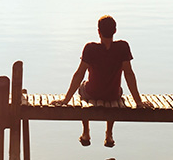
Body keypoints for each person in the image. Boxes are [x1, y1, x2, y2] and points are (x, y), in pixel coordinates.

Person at [51, 15, 151, 147]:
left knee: (82, 88)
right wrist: (138, 102)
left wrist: (65, 100)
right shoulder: (123, 47)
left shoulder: (90, 48)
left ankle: (86, 132)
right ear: (115, 31)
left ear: (98, 31)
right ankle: (109, 134)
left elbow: (79, 74)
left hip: (92, 93)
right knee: (118, 90)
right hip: (113, 95)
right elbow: (129, 74)